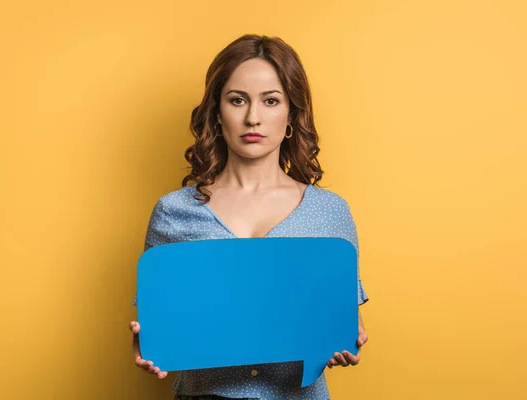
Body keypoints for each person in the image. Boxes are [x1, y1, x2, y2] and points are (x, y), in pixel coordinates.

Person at [128, 34, 369, 400]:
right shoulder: (173, 211)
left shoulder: (329, 211)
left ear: (291, 115)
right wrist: (150, 345)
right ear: (217, 113)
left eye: (270, 101)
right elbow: (162, 322)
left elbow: (345, 322)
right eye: (237, 100)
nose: (253, 117)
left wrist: (349, 339)